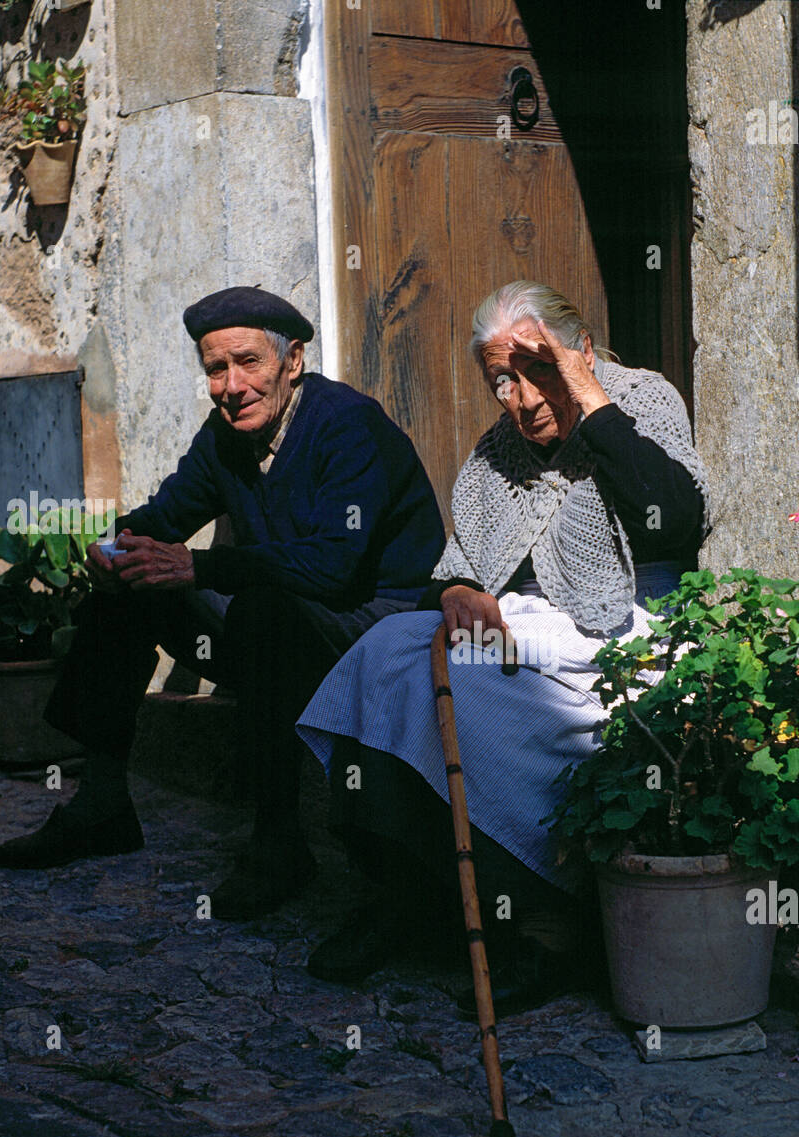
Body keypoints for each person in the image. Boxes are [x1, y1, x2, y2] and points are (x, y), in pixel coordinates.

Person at [297, 280, 712, 1015]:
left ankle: (547, 927)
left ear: (581, 353)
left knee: (470, 693)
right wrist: (457, 593)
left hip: (627, 633)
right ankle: (399, 891)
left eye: (539, 369)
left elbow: (672, 520)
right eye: (502, 380)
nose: (521, 398)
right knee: (385, 651)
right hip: (525, 629)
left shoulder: (641, 400)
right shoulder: (500, 453)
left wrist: (589, 397)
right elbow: (459, 563)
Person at [0, 286, 445, 920]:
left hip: (369, 627)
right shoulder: (226, 433)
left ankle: (278, 839)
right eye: (215, 368)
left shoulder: (347, 425)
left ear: (292, 362)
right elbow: (167, 516)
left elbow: (335, 566)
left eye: (248, 363)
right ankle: (101, 802)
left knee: (262, 609)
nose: (231, 385)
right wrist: (116, 545)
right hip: (281, 618)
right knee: (134, 580)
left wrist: (198, 565)